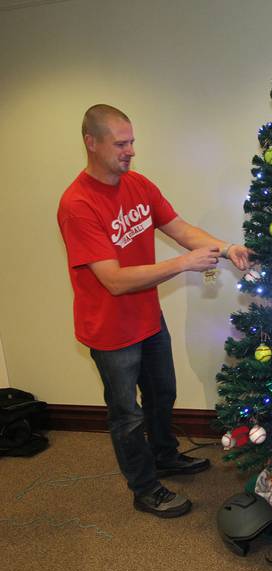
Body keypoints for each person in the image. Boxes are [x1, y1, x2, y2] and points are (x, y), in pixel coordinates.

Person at [57, 104, 251, 518]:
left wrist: (226, 248)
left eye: (132, 142)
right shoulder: (77, 204)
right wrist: (183, 264)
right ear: (91, 143)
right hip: (110, 331)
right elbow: (113, 279)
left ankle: (165, 456)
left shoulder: (138, 185)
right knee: (127, 415)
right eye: (120, 144)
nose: (130, 152)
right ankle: (145, 488)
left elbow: (181, 230)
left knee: (163, 395)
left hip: (147, 318)